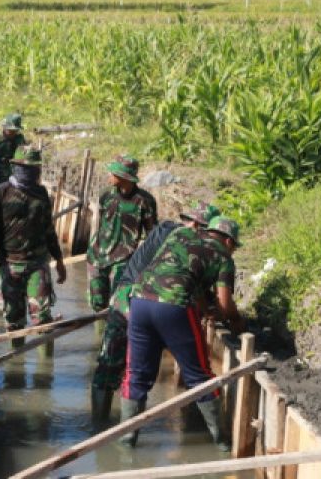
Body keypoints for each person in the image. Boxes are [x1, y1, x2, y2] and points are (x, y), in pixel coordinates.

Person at [121, 216, 245, 450]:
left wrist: (206, 308)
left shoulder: (180, 235)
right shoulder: (223, 256)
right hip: (174, 308)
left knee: (136, 375)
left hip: (139, 302)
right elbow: (225, 303)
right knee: (200, 376)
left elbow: (190, 281)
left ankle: (126, 441)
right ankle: (222, 443)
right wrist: (236, 320)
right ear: (228, 241)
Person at [90, 203, 214, 422]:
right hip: (145, 301)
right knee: (143, 372)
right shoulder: (184, 240)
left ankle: (98, 425)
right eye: (206, 232)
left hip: (123, 298)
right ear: (196, 224)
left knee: (110, 363)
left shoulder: (164, 229)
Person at [0, 146, 65, 345]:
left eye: (34, 168)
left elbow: (48, 229)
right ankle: (14, 373)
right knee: (13, 322)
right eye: (25, 168)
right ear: (15, 167)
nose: (30, 173)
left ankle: (45, 373)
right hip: (9, 264)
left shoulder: (41, 193)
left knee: (43, 321)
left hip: (38, 264)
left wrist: (59, 260)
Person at [86, 155, 157, 311]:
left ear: (124, 177)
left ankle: (112, 332)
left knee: (118, 303)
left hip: (125, 258)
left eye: (113, 174)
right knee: (97, 303)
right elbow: (100, 222)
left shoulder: (144, 201)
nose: (109, 176)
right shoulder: (106, 194)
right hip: (98, 254)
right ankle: (100, 333)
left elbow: (152, 234)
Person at [0, 113, 25, 184]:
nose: (13, 133)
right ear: (5, 128)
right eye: (11, 130)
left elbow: (22, 156)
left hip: (13, 173)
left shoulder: (19, 139)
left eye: (15, 131)